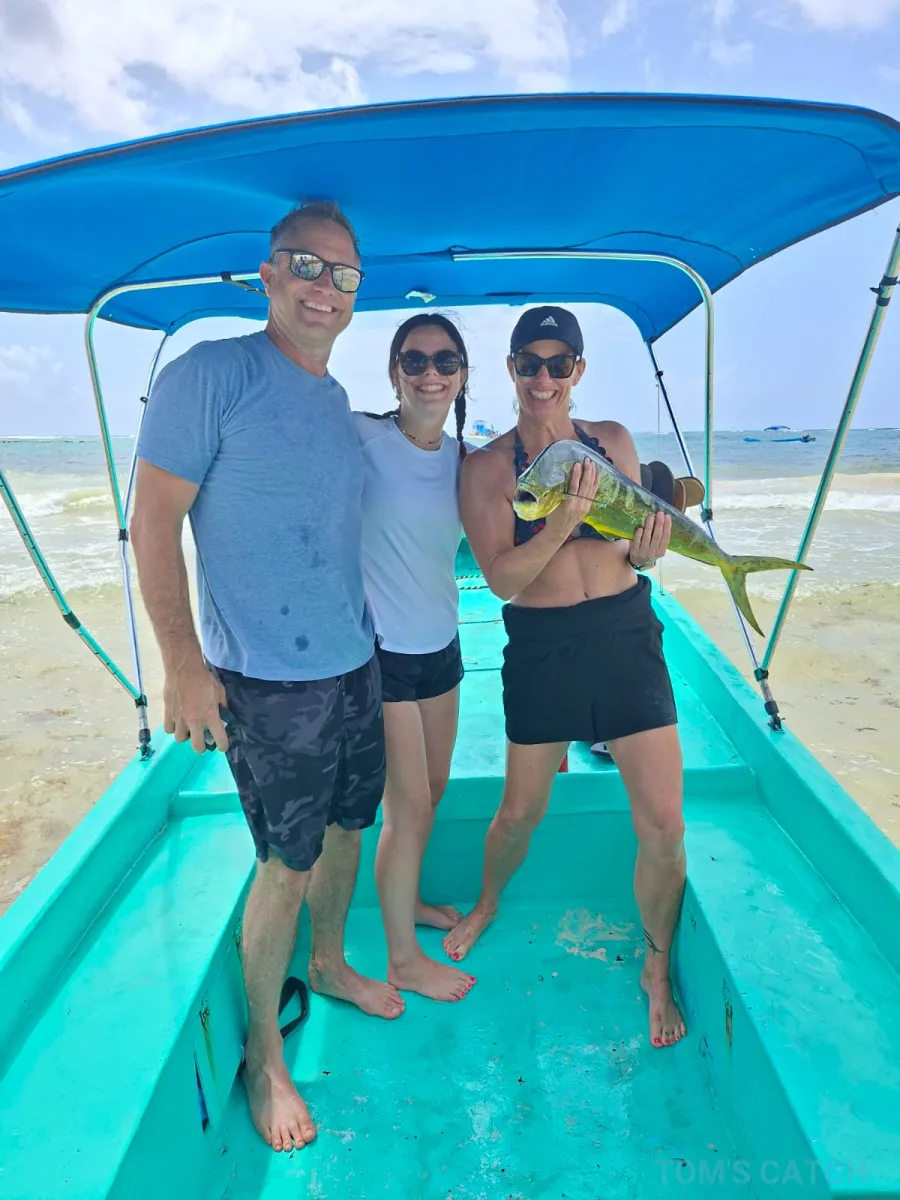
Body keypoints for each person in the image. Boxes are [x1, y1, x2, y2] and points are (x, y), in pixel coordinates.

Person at [130, 200, 404, 1159]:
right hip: (267, 682)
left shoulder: (333, 397)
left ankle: (326, 963)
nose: (326, 288)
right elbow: (152, 522)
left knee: (348, 829)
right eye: (307, 265)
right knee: (284, 865)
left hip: (353, 663)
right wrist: (181, 664)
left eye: (344, 274)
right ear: (269, 274)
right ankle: (264, 1053)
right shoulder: (211, 373)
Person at [444, 305, 688, 1050]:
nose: (543, 378)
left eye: (558, 364)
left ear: (578, 370)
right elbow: (502, 579)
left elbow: (633, 547)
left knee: (665, 824)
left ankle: (655, 965)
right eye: (530, 364)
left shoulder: (612, 441)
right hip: (543, 647)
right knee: (519, 813)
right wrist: (558, 522)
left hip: (625, 635)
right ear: (511, 370)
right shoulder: (487, 469)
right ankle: (487, 902)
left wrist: (648, 551)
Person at [352, 314, 477, 1004]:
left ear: (463, 376)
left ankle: (412, 902)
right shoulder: (360, 436)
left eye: (445, 361)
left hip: (442, 646)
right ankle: (401, 959)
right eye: (415, 360)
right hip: (385, 653)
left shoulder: (467, 461)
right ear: (394, 371)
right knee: (406, 808)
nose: (431, 373)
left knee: (434, 788)